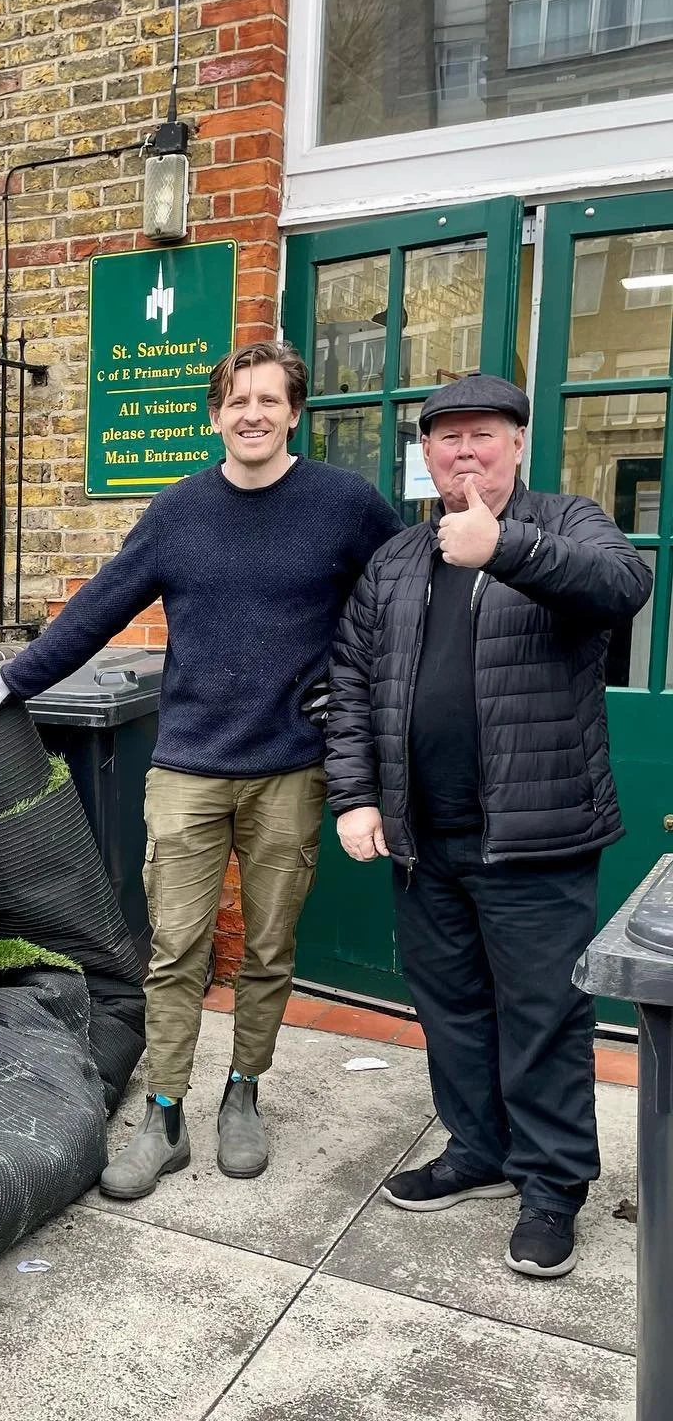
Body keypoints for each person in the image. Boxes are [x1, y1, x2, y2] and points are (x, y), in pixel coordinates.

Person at [0, 340, 402, 1197]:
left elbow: (396, 600)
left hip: (292, 765)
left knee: (270, 948)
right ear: (215, 416)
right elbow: (99, 606)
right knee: (175, 947)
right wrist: (14, 677)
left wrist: (352, 686)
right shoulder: (178, 512)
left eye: (269, 400)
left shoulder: (345, 505)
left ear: (294, 412)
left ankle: (243, 1094)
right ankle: (165, 1113)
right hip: (189, 767)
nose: (252, 413)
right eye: (236, 400)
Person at [325, 373, 653, 1279]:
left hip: (537, 837)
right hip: (423, 839)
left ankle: (552, 1189)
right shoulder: (396, 559)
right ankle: (479, 1151)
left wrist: (503, 546)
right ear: (424, 455)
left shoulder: (565, 523)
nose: (463, 453)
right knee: (455, 1009)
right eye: (445, 439)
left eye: (482, 436)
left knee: (544, 1018)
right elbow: (351, 684)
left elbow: (624, 583)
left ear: (516, 443)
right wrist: (355, 797)